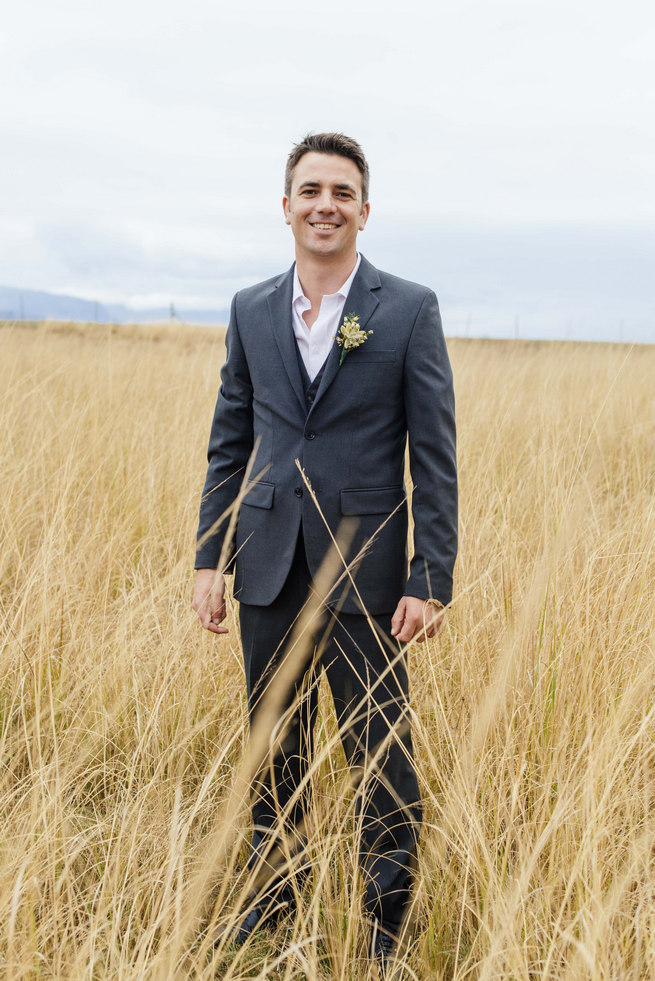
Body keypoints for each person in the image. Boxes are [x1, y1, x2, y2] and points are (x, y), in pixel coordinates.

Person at [192, 132, 457, 977]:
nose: (324, 204)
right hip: (266, 561)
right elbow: (230, 437)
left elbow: (434, 454)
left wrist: (428, 574)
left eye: (341, 192)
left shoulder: (407, 308)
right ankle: (274, 902)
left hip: (368, 570)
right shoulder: (250, 307)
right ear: (285, 206)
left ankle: (383, 927)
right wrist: (210, 556)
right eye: (309, 190)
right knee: (275, 745)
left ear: (364, 210)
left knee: (379, 751)